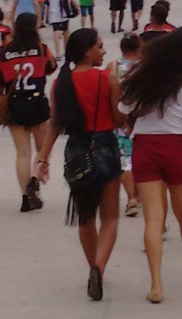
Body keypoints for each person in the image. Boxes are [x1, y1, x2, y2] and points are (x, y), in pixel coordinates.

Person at [119, 26, 182, 304]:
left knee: (154, 218)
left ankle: (156, 283)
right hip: (176, 148)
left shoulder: (144, 71)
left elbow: (124, 107)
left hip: (145, 147)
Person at [36, 28, 125, 300]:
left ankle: (93, 268)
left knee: (85, 216)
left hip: (76, 150)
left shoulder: (60, 83)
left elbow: (55, 123)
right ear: (87, 51)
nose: (103, 51)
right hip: (105, 146)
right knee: (110, 218)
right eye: (99, 46)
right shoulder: (107, 79)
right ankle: (99, 267)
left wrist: (43, 158)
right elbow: (119, 119)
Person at [0, 12, 55, 212]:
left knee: (22, 153)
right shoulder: (41, 49)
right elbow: (51, 67)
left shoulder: (5, 52)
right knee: (43, 150)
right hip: (37, 102)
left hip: (15, 104)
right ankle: (35, 179)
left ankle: (25, 198)